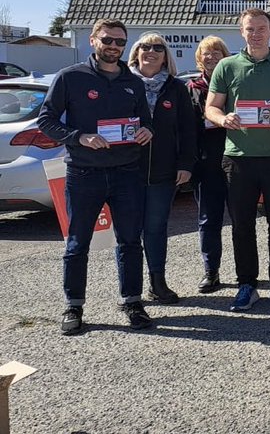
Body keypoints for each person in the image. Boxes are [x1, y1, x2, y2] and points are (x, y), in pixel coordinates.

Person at [39, 19, 155, 334]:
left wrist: (146, 130)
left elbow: (145, 120)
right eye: (108, 40)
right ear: (93, 40)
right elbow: (46, 120)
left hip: (126, 172)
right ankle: (73, 307)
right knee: (78, 243)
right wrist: (80, 137)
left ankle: (132, 302)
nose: (114, 47)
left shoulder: (132, 81)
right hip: (84, 173)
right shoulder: (70, 77)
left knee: (130, 241)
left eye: (120, 42)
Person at [205, 8, 270, 311]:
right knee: (242, 225)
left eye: (261, 28)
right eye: (250, 29)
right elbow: (211, 107)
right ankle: (246, 284)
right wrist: (224, 119)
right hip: (239, 157)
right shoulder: (227, 65)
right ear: (242, 32)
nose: (256, 34)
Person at [128, 32, 196, 305]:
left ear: (165, 55)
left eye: (158, 48)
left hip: (163, 171)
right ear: (136, 52)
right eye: (145, 46)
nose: (152, 52)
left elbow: (188, 130)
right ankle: (130, 289)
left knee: (155, 228)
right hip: (126, 170)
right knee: (129, 232)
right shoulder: (122, 84)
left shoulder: (176, 87)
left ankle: (158, 282)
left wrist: (186, 164)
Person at [188, 36, 231, 293]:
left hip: (237, 159)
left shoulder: (236, 84)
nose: (212, 57)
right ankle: (211, 270)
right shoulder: (191, 88)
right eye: (207, 53)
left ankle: (245, 273)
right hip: (206, 162)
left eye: (217, 52)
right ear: (199, 57)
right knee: (209, 219)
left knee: (242, 219)